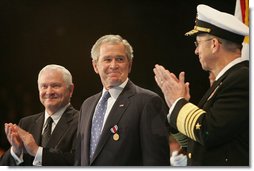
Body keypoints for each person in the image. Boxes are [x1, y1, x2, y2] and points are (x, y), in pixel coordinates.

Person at [153, 4, 249, 166]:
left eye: (198, 43)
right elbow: (195, 143)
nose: (196, 51)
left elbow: (208, 132)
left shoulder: (242, 78)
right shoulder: (227, 80)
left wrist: (179, 103)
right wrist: (175, 106)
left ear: (213, 44)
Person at [75, 34, 170, 166]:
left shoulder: (147, 102)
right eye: (107, 59)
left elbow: (156, 162)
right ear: (95, 66)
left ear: (129, 65)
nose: (114, 65)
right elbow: (79, 159)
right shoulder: (87, 105)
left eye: (120, 59)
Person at [0, 64, 79, 166]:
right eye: (44, 86)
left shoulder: (82, 121)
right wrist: (16, 151)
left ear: (70, 90)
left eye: (55, 85)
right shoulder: (26, 123)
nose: (49, 92)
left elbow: (79, 162)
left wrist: (37, 151)